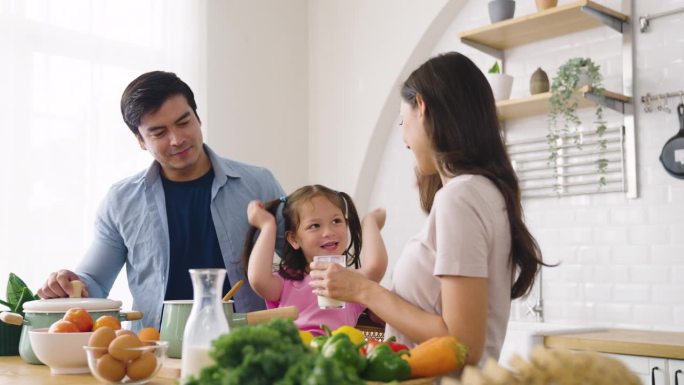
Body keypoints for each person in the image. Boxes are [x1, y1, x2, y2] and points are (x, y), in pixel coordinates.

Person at [309, 52, 546, 369]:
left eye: (401, 119)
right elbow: (437, 317)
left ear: (421, 106)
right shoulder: (485, 191)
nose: (403, 134)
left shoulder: (459, 197)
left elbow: (462, 345)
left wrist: (364, 290)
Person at [37, 71, 285, 331]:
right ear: (141, 141)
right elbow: (95, 282)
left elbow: (302, 256)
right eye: (159, 132)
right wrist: (68, 282)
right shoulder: (120, 201)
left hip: (247, 345)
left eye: (183, 122)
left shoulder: (258, 183)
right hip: (154, 352)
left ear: (198, 118)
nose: (177, 139)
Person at [242, 184, 387, 335]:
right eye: (315, 225)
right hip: (293, 353)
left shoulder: (350, 282)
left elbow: (375, 266)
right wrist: (267, 225)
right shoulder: (287, 283)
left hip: (335, 353)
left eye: (336, 221)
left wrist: (370, 222)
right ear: (294, 239)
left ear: (346, 226)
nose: (328, 232)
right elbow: (258, 279)